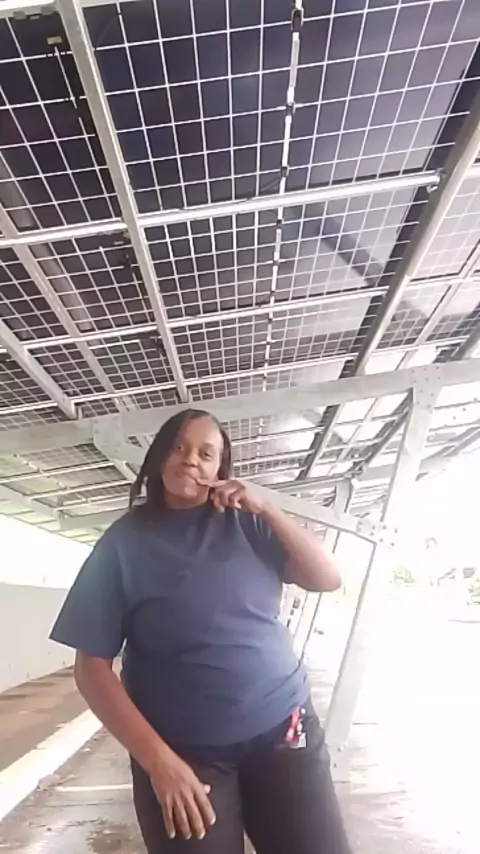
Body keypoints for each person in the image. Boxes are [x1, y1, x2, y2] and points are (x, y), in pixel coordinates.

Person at [50, 409, 352, 854]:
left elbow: (326, 578)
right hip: (184, 755)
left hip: (282, 732)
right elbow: (91, 669)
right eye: (179, 447)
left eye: (206, 454)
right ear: (159, 456)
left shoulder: (249, 522)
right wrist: (158, 762)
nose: (191, 459)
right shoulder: (122, 544)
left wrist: (267, 508)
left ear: (220, 470)